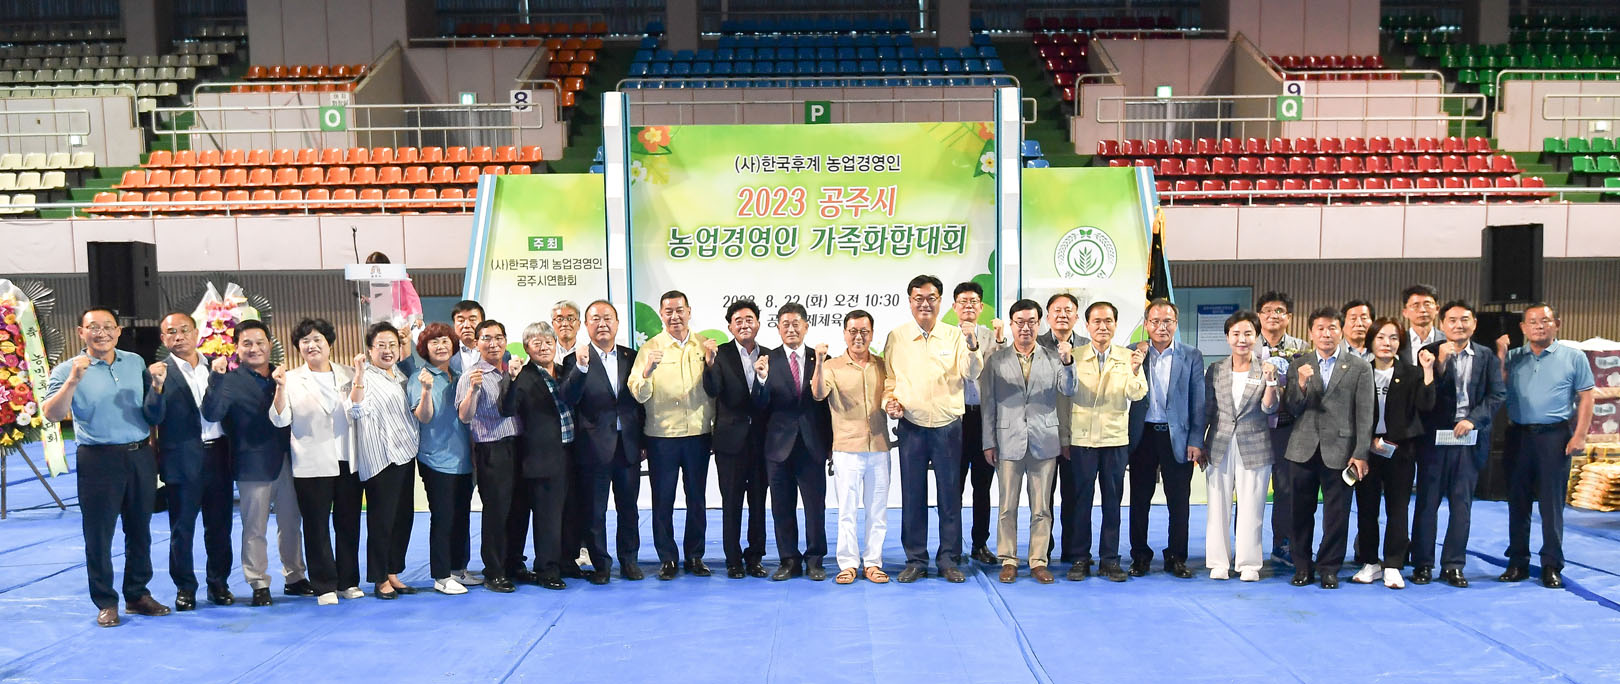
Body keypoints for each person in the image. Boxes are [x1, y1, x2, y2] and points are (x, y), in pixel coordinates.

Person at [41, 306, 168, 627]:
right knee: (99, 534)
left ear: (118, 331)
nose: (102, 333)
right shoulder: (67, 369)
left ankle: (137, 594)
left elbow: (150, 410)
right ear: (81, 332)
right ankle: (106, 601)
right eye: (94, 327)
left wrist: (156, 386)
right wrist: (73, 381)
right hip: (98, 459)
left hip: (139, 455)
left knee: (140, 530)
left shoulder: (134, 362)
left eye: (108, 326)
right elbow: (52, 414)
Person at [201, 319, 310, 607]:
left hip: (290, 460)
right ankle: (258, 582)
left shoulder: (283, 376)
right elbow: (211, 414)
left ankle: (295, 576)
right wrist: (216, 379)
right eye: (247, 343)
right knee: (254, 528)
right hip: (252, 464)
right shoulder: (229, 380)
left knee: (291, 523)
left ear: (270, 344)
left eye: (260, 342)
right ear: (236, 348)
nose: (254, 348)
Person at [882, 275, 984, 583]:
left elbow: (971, 372)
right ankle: (916, 559)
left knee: (949, 496)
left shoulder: (955, 335)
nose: (925, 304)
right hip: (911, 426)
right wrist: (889, 402)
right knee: (913, 495)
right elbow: (889, 380)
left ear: (940, 302)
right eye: (919, 298)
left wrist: (972, 343)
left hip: (948, 427)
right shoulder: (897, 337)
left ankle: (948, 559)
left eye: (931, 298)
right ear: (910, 301)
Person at [1499, 302, 1596, 589]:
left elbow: (1586, 397)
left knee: (1551, 504)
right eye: (1532, 321)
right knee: (1517, 501)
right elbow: (1499, 388)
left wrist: (1580, 435)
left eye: (1545, 320)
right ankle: (1517, 562)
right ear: (1523, 327)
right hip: (1518, 435)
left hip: (1554, 436)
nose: (1539, 326)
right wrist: (1501, 356)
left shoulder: (1574, 357)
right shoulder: (1514, 357)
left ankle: (1551, 564)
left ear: (1557, 324)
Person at [981, 299, 1076, 584]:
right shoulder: (996, 360)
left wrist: (1068, 362)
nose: (1025, 328)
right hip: (1007, 441)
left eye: (1031, 322)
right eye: (1019, 322)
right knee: (1007, 506)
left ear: (1039, 324)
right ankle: (1009, 559)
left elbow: (1068, 389)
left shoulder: (1054, 357)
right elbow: (988, 403)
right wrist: (988, 441)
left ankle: (1038, 561)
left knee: (1042, 508)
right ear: (1011, 325)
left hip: (1044, 441)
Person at [1410, 300, 1503, 588]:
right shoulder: (1428, 352)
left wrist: (1473, 420)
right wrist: (1439, 363)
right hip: (1433, 441)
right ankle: (1423, 564)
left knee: (1461, 506)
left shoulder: (1486, 356)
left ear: (1474, 323)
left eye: (1464, 319)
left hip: (1469, 440)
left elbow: (1497, 394)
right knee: (1427, 504)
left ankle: (1453, 565)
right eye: (1452, 320)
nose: (1458, 325)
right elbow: (1423, 397)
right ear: (1442, 325)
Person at [145, 311, 234, 611]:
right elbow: (153, 416)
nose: (179, 336)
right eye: (171, 332)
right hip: (181, 459)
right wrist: (156, 387)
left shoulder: (216, 367)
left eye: (184, 330)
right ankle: (185, 587)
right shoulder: (158, 372)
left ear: (197, 334)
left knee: (220, 526)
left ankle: (219, 583)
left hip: (219, 455)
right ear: (163, 339)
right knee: (182, 529)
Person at [1282, 307, 1374, 590]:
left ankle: (1329, 568)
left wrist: (1360, 453)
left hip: (1341, 450)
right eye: (1320, 328)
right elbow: (1292, 408)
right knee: (1299, 512)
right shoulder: (1299, 364)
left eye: (1332, 328)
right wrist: (1300, 383)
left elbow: (1365, 414)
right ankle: (1302, 565)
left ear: (1341, 331)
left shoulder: (1359, 367)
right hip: (1303, 448)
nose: (1326, 334)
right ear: (1311, 332)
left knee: (1337, 515)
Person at [273, 318, 363, 605]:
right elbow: (280, 419)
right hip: (310, 462)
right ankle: (324, 585)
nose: (312, 345)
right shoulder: (290, 378)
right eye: (305, 341)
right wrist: (279, 388)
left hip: (347, 458)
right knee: (316, 526)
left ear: (329, 343)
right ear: (298, 347)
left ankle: (348, 581)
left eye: (317, 339)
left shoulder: (349, 373)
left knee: (348, 523)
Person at [628, 290, 717, 580]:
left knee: (697, 498)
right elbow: (638, 394)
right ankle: (667, 558)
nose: (675, 316)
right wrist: (648, 371)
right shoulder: (650, 348)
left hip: (698, 434)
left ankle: (695, 556)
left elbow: (716, 390)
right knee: (662, 499)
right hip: (661, 437)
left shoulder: (704, 345)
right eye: (668, 311)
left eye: (680, 310)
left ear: (689, 312)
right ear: (661, 314)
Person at [560, 300, 646, 583]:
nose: (602, 324)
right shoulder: (574, 360)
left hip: (628, 446)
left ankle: (629, 561)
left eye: (607, 318)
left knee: (629, 508)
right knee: (595, 511)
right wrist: (581, 368)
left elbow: (641, 402)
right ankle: (601, 565)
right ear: (586, 325)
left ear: (617, 323)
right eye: (595, 319)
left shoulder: (632, 357)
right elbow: (568, 398)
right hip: (593, 448)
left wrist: (643, 440)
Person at [1064, 301, 1147, 582]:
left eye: (1108, 321)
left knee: (1112, 502)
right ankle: (1080, 558)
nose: (1103, 326)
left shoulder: (1128, 356)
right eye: (1097, 321)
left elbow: (1137, 393)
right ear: (1087, 325)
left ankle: (1110, 559)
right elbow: (1066, 389)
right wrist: (1066, 364)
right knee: (1081, 502)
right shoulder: (1074, 355)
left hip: (1114, 439)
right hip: (1083, 439)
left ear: (1115, 325)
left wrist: (1135, 370)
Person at [1350, 318, 1435, 590]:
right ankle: (1370, 562)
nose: (1387, 343)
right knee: (1366, 509)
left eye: (1394, 338)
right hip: (1366, 451)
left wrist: (1428, 371)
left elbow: (1426, 405)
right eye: (1381, 337)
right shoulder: (1360, 371)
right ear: (1371, 341)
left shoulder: (1411, 372)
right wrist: (1368, 442)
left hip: (1400, 451)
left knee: (1397, 509)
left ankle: (1393, 564)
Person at [811, 309, 894, 584]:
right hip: (846, 449)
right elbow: (818, 394)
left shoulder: (883, 365)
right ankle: (847, 564)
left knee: (877, 510)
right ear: (845, 333)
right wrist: (819, 362)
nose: (859, 337)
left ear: (872, 334)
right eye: (853, 331)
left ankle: (873, 563)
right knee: (847, 511)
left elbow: (892, 393)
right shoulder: (832, 366)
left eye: (864, 332)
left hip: (879, 447)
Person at [1126, 298, 1206, 579]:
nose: (1162, 327)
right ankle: (1139, 556)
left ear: (1176, 323)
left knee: (1179, 501)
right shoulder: (1132, 352)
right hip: (1142, 436)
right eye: (1156, 321)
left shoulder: (1191, 355)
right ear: (1146, 324)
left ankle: (1177, 556)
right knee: (1139, 500)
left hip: (1178, 437)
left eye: (1167, 321)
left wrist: (1196, 440)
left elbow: (1198, 402)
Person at [754, 303, 833, 581]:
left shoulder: (821, 358)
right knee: (781, 507)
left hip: (812, 445)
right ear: (778, 328)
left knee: (815, 507)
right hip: (778, 447)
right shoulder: (767, 360)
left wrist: (830, 444)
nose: (791, 329)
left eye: (796, 323)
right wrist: (761, 380)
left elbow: (828, 407)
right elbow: (759, 407)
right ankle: (788, 559)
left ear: (806, 326)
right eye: (785, 324)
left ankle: (815, 560)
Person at [1201, 311, 1279, 582]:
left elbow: (1270, 408)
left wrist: (1271, 382)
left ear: (1256, 337)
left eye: (1248, 334)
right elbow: (1207, 409)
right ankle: (1218, 562)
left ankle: (1249, 563)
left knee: (1252, 507)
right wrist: (1198, 443)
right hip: (1219, 443)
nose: (1242, 339)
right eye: (1236, 334)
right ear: (1227, 337)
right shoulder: (1216, 369)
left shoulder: (1266, 369)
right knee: (1217, 507)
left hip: (1255, 444)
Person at [500, 321, 575, 590]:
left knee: (569, 513)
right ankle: (546, 570)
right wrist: (511, 379)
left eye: (548, 342)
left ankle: (567, 562)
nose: (544, 347)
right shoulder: (523, 375)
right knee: (547, 518)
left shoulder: (565, 371)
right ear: (527, 348)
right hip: (542, 458)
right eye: (537, 343)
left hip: (570, 453)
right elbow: (507, 409)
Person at [348, 323, 420, 599]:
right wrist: (358, 374)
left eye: (392, 345)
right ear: (370, 349)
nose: (388, 350)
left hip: (405, 454)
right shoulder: (365, 377)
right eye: (381, 345)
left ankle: (393, 571)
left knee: (403, 518)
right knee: (381, 521)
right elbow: (356, 409)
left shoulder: (400, 374)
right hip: (381, 458)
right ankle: (379, 578)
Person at [701, 299, 771, 579]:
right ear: (730, 326)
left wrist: (763, 380)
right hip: (730, 442)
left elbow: (771, 399)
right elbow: (712, 389)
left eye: (749, 319)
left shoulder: (770, 355)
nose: (744, 325)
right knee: (731, 502)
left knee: (758, 502)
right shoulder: (720, 354)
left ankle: (755, 557)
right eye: (738, 321)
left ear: (758, 323)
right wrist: (709, 363)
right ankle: (733, 559)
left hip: (762, 442)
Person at [408, 322, 479, 595]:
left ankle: (458, 569)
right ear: (424, 348)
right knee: (443, 517)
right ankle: (440, 575)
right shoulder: (420, 378)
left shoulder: (460, 376)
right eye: (434, 342)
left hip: (463, 459)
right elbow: (424, 417)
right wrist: (426, 390)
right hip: (435, 460)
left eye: (445, 341)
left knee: (462, 516)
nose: (440, 346)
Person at [458, 319, 526, 593]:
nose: (493, 343)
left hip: (518, 446)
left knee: (518, 508)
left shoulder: (511, 370)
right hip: (492, 449)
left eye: (498, 338)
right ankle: (494, 571)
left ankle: (514, 564)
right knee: (497, 512)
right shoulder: (472, 375)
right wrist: (473, 391)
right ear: (477, 343)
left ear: (505, 341)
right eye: (486, 338)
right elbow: (465, 416)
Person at [952, 281, 1007, 564]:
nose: (968, 306)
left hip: (984, 418)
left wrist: (1000, 340)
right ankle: (951, 546)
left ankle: (980, 544)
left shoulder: (991, 336)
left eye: (973, 301)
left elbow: (1001, 371)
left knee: (982, 487)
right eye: (963, 301)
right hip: (955, 418)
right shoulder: (945, 337)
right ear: (954, 307)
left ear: (981, 306)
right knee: (953, 488)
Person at [1037, 293, 1087, 564]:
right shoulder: (1035, 344)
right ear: (1047, 316)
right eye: (1057, 310)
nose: (1062, 315)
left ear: (1077, 317)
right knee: (1043, 498)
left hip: (1078, 434)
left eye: (1068, 310)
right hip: (1043, 433)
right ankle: (1042, 551)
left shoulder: (1088, 347)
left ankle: (1073, 551)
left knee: (1075, 496)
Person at [1255, 290, 1304, 567]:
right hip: (1254, 428)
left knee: (1286, 489)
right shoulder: (1248, 345)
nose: (1273, 315)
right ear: (1259, 316)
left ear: (1289, 317)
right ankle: (1247, 548)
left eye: (1279, 311)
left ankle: (1282, 545)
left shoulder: (1302, 348)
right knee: (1251, 490)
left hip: (1288, 428)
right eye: (1267, 311)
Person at [1399, 284, 1443, 366]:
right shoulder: (1399, 341)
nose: (1422, 310)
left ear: (1437, 309)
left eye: (1427, 305)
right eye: (1416, 305)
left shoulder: (1446, 340)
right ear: (1405, 312)